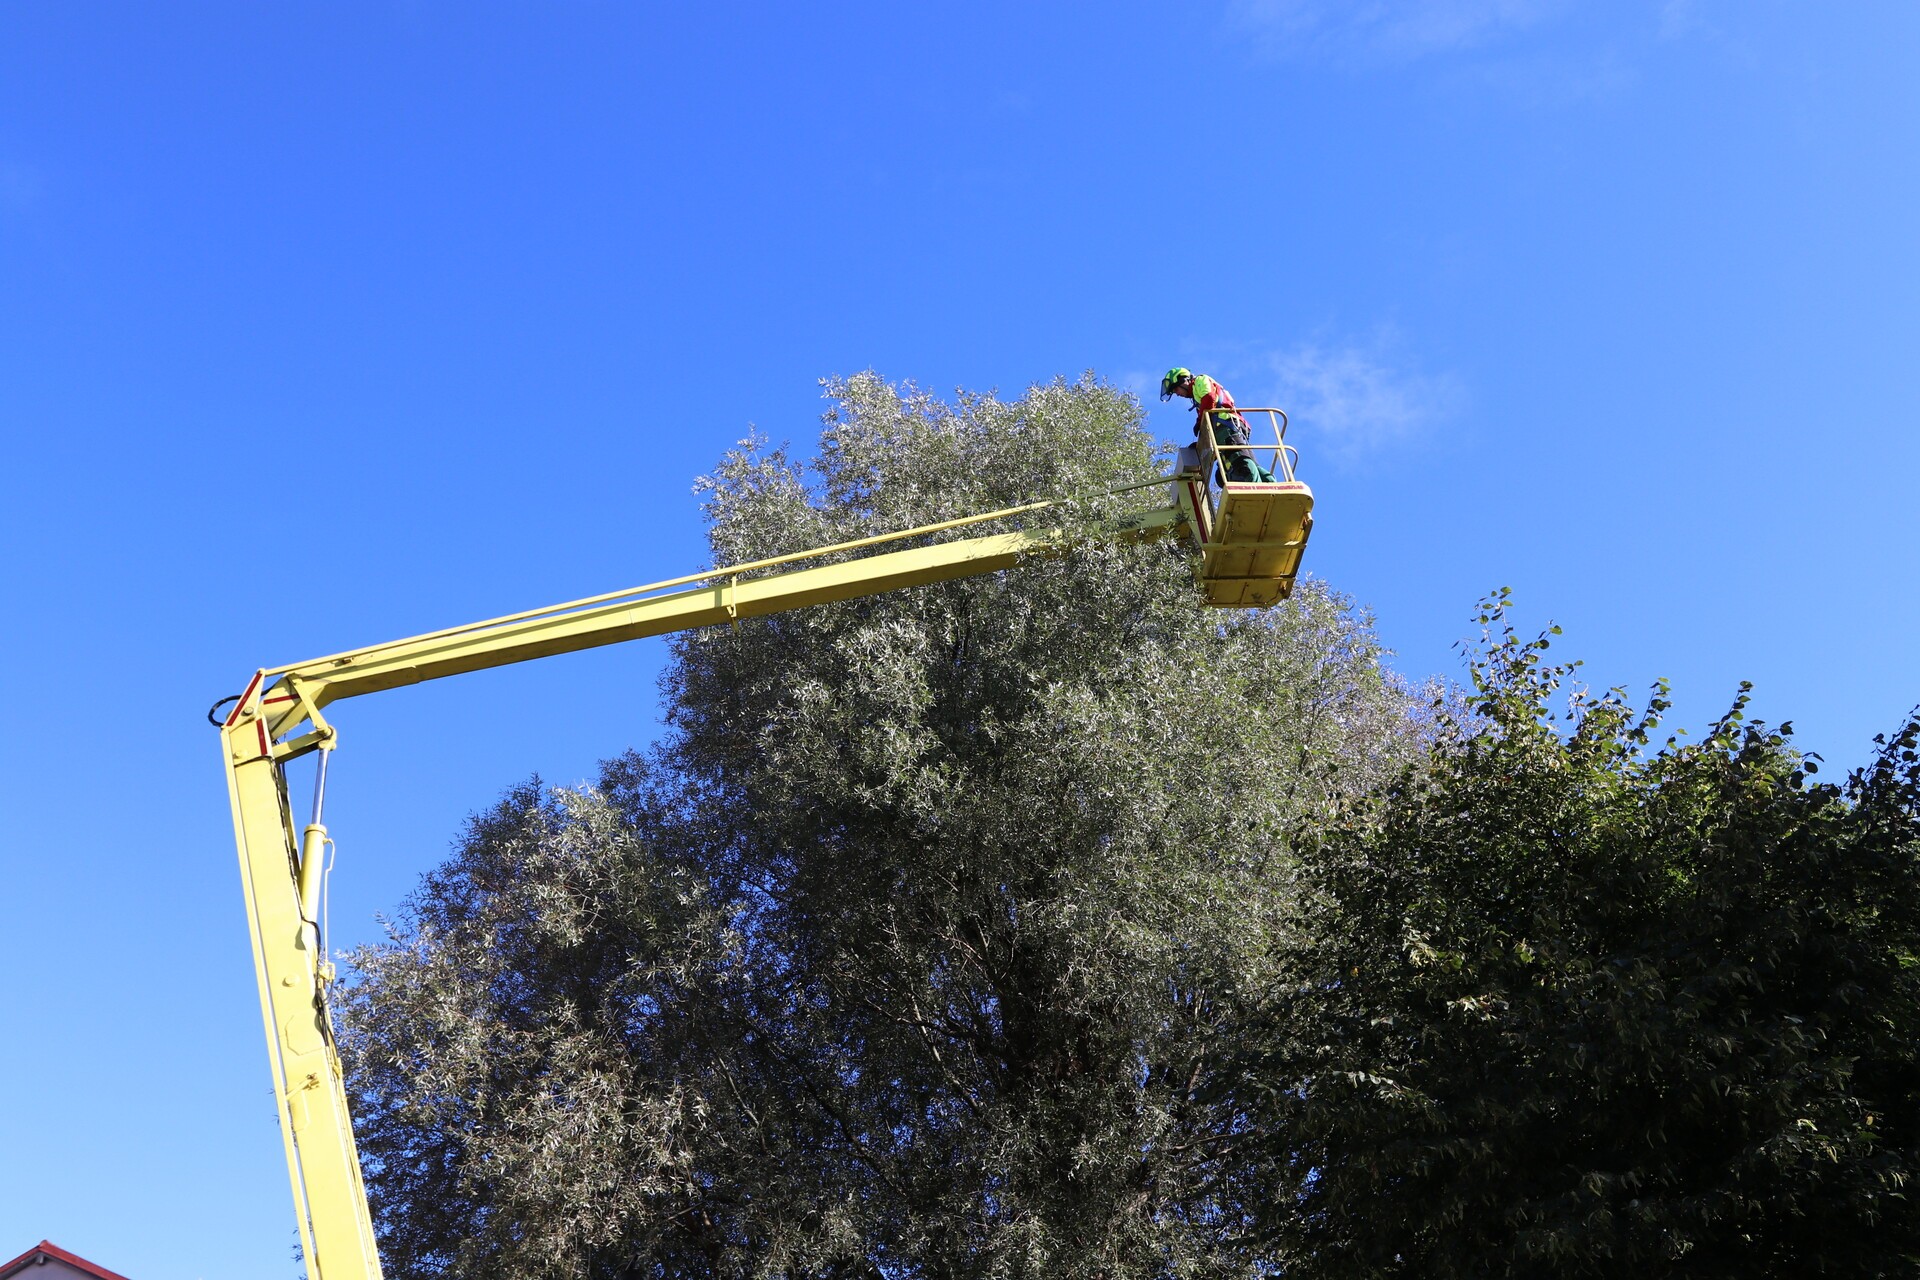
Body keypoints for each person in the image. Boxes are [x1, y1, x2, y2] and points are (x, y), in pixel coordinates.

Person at [1160, 367, 1275, 485]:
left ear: (1184, 380)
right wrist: (1201, 444)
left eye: (1176, 389)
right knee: (1233, 465)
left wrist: (1199, 421)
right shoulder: (1197, 398)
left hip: (1226, 426)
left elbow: (1209, 397)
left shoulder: (1200, 380)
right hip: (1228, 427)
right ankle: (1270, 484)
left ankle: (1255, 488)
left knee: (1239, 461)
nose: (1177, 394)